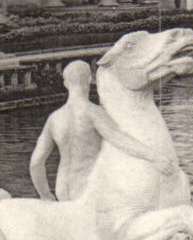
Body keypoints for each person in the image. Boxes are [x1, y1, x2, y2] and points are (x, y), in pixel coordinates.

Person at [29, 61, 172, 202]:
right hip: (87, 188)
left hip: (62, 188)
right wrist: (154, 157)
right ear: (90, 79)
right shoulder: (93, 113)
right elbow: (121, 140)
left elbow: (36, 163)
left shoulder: (54, 118)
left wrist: (45, 195)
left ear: (65, 84)